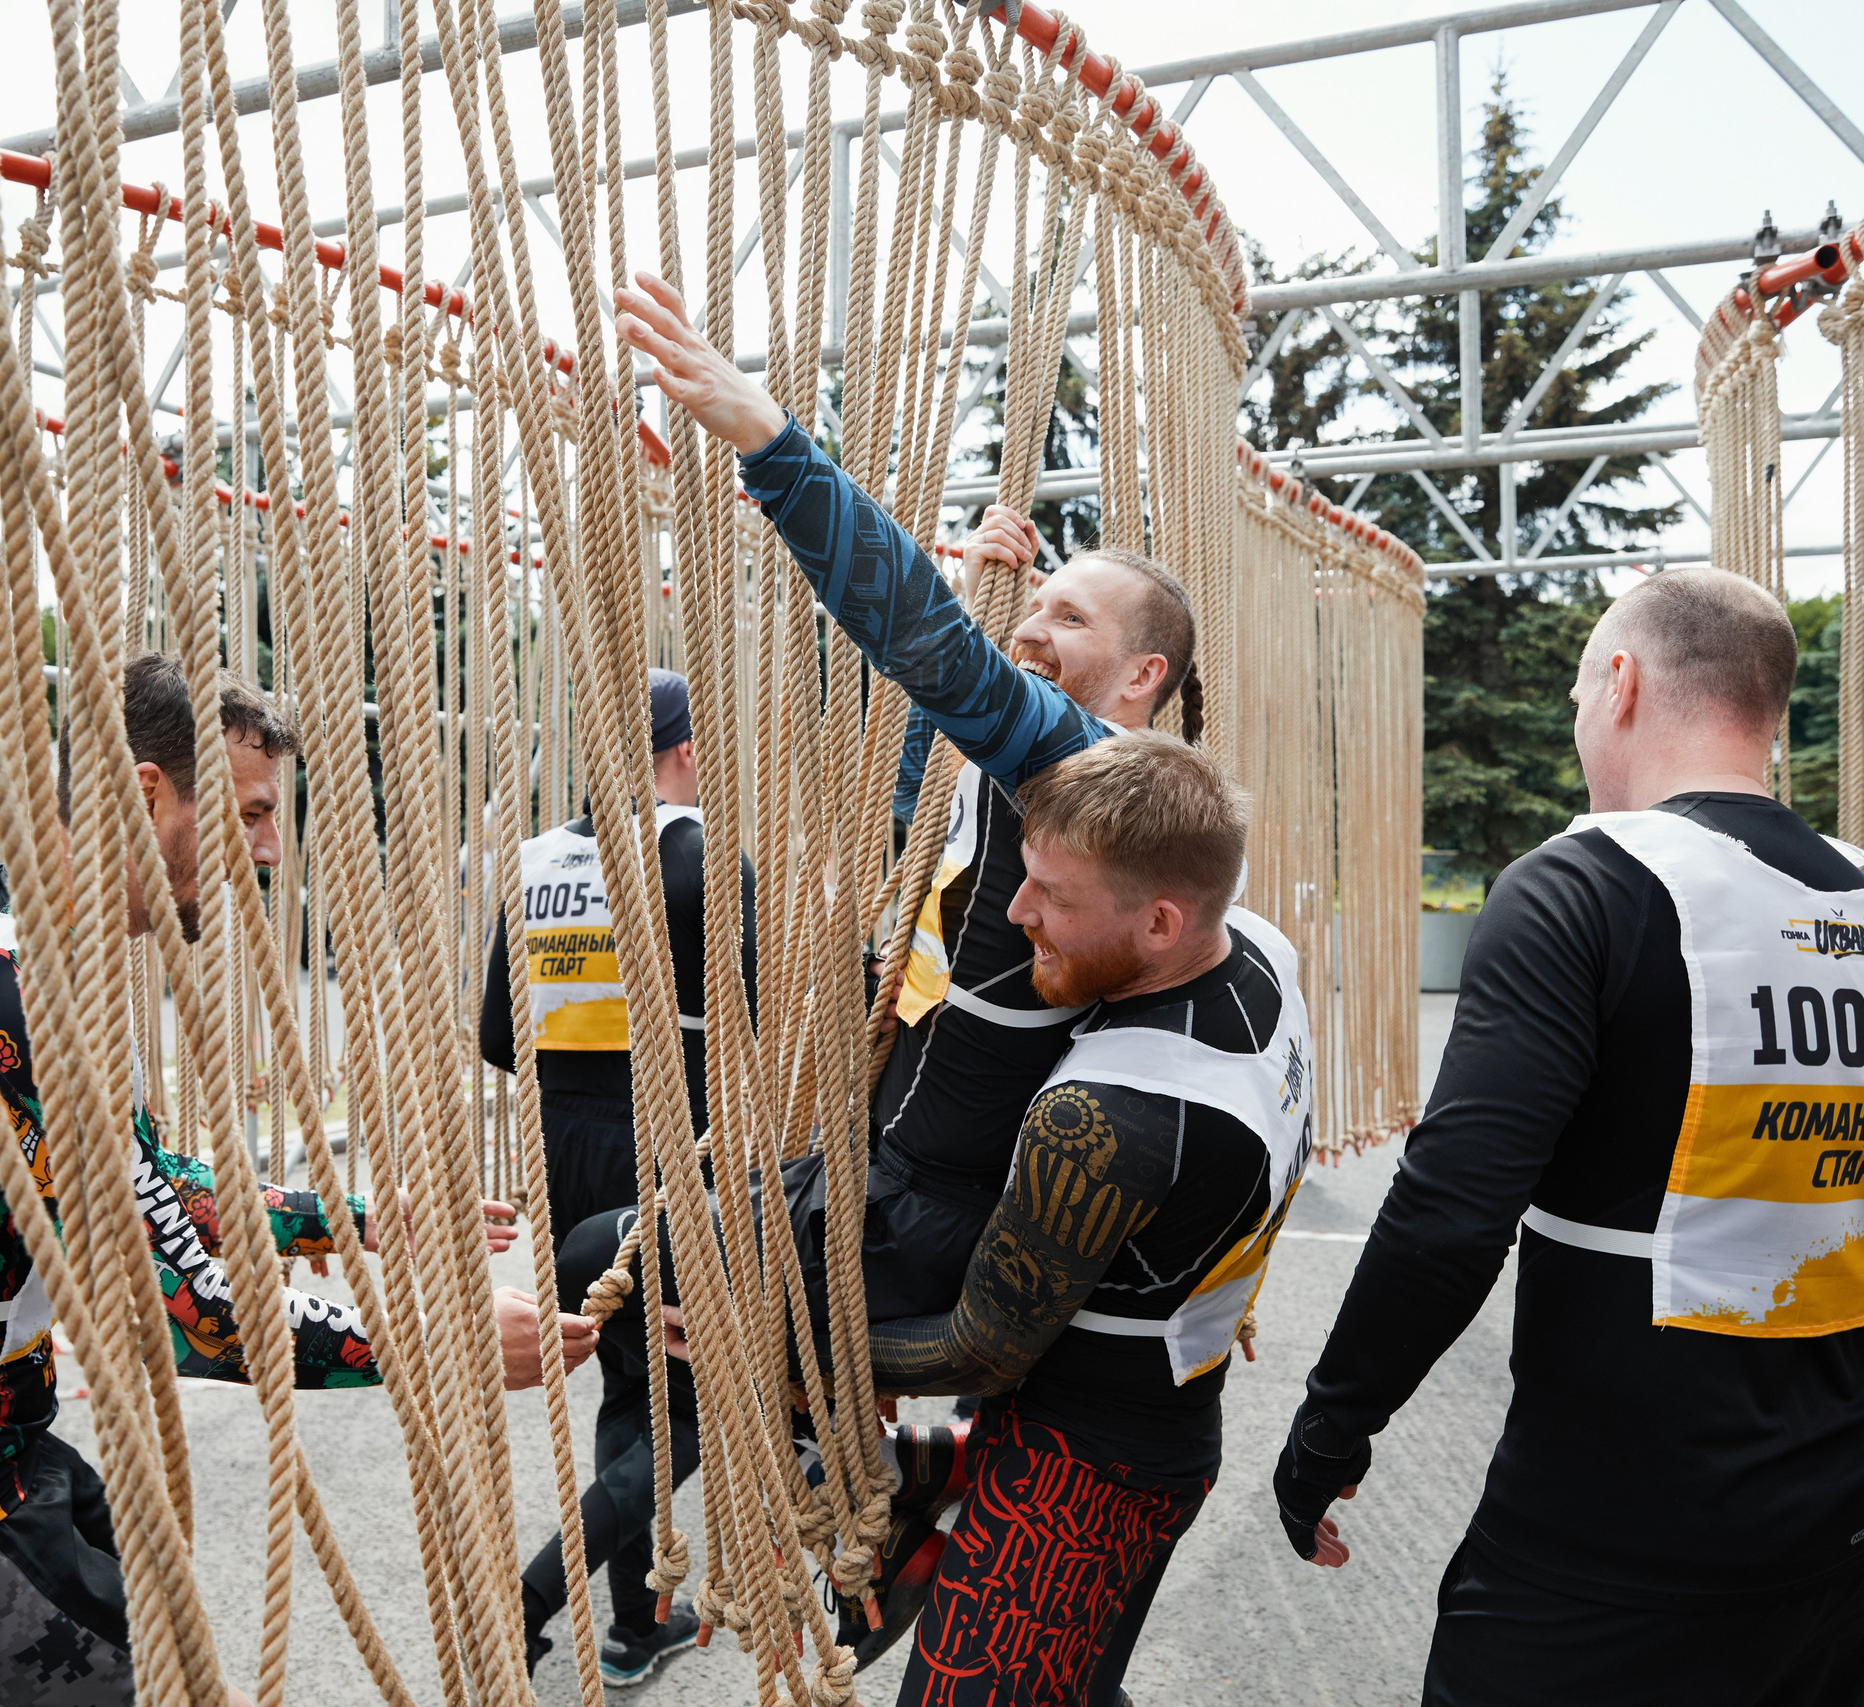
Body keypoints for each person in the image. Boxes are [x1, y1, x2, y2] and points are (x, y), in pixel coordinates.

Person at [0, 650, 597, 1707]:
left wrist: (351, 1219)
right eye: (249, 814)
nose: (269, 850)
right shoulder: (14, 1007)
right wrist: (446, 1347)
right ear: (146, 794)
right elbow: (192, 1310)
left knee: (153, 1607)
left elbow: (141, 1184)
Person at [607, 269, 1213, 1649]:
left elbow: (939, 662)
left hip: (935, 1200)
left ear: (1142, 680)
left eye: (1069, 618)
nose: (1033, 628)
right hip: (896, 1152)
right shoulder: (1042, 781)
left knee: (672, 1282)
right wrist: (974, 587)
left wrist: (776, 445)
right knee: (644, 1263)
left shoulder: (1092, 768)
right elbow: (919, 734)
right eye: (1037, 605)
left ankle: (865, 1501)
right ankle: (876, 1483)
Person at [1272, 569, 1864, 1707]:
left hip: (1629, 1524)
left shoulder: (1584, 884)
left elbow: (1451, 1209)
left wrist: (1329, 1429)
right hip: (1860, 1500)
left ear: (1622, 683)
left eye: (1576, 696)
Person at [863, 731, 1311, 1707]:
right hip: (1164, 1425)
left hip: (1079, 1477)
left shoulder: (1105, 1119)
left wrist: (794, 1356)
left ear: (1160, 922)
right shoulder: (1259, 949)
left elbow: (983, 1351)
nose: (1016, 911)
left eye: (1054, 897)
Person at [480, 667, 759, 1687]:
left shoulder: (535, 862)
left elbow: (497, 1034)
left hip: (560, 1145)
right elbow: (762, 1018)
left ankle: (639, 1616)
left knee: (623, 1377)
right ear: (684, 750)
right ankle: (532, 1598)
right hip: (661, 1152)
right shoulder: (699, 857)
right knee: (691, 1406)